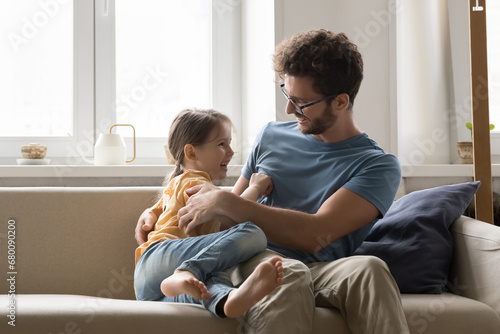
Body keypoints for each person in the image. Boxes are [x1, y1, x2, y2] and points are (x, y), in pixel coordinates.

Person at [136, 30, 410, 334]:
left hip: (320, 268)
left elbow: (317, 233)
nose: (290, 110)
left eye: (301, 102)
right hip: (252, 260)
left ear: (340, 102)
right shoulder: (271, 135)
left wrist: (227, 200)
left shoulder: (377, 165)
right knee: (287, 271)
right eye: (287, 95)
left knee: (370, 269)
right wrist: (160, 212)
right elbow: (225, 221)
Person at [134, 108, 283, 319]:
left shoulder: (176, 184)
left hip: (150, 285)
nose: (231, 152)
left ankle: (227, 300)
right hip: (162, 258)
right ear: (191, 153)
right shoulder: (196, 182)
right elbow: (235, 213)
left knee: (205, 284)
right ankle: (189, 271)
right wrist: (256, 187)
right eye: (222, 144)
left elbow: (154, 212)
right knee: (253, 232)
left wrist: (149, 213)